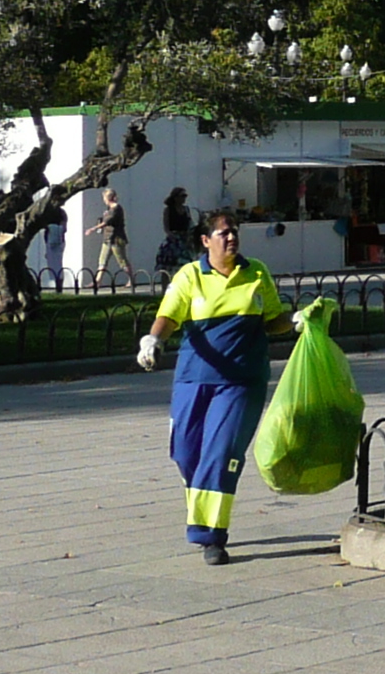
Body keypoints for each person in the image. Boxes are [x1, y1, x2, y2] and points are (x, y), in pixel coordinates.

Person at [138, 210, 293, 564]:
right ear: (205, 241)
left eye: (233, 232)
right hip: (194, 380)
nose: (231, 238)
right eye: (222, 233)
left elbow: (273, 320)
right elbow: (169, 316)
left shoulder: (256, 273)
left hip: (241, 381)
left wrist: (297, 321)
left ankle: (211, 536)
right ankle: (205, 514)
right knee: (186, 453)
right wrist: (153, 341)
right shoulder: (190, 275)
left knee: (220, 454)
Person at [92, 187, 134, 288]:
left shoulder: (116, 209)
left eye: (104, 198)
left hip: (116, 239)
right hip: (107, 238)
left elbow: (108, 221)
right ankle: (97, 281)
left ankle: (132, 279)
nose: (103, 200)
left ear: (108, 198)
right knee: (102, 260)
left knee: (122, 261)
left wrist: (93, 228)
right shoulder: (109, 209)